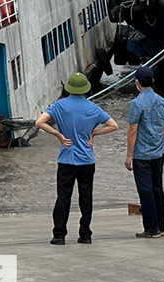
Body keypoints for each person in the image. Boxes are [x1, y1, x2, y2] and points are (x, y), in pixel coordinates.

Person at [35, 72, 119, 245]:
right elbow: (113, 125)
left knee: (63, 197)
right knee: (86, 197)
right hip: (87, 160)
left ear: (68, 88)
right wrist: (95, 133)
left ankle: (59, 235)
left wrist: (58, 134)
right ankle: (85, 234)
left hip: (66, 159)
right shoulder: (93, 108)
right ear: (85, 89)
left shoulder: (60, 105)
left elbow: (39, 122)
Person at [125, 66, 164, 238]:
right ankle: (161, 226)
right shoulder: (163, 102)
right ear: (152, 81)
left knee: (146, 191)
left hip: (142, 154)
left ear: (137, 82)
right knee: (158, 188)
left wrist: (129, 155)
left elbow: (132, 130)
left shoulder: (136, 103)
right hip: (159, 152)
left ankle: (151, 229)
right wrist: (161, 144)